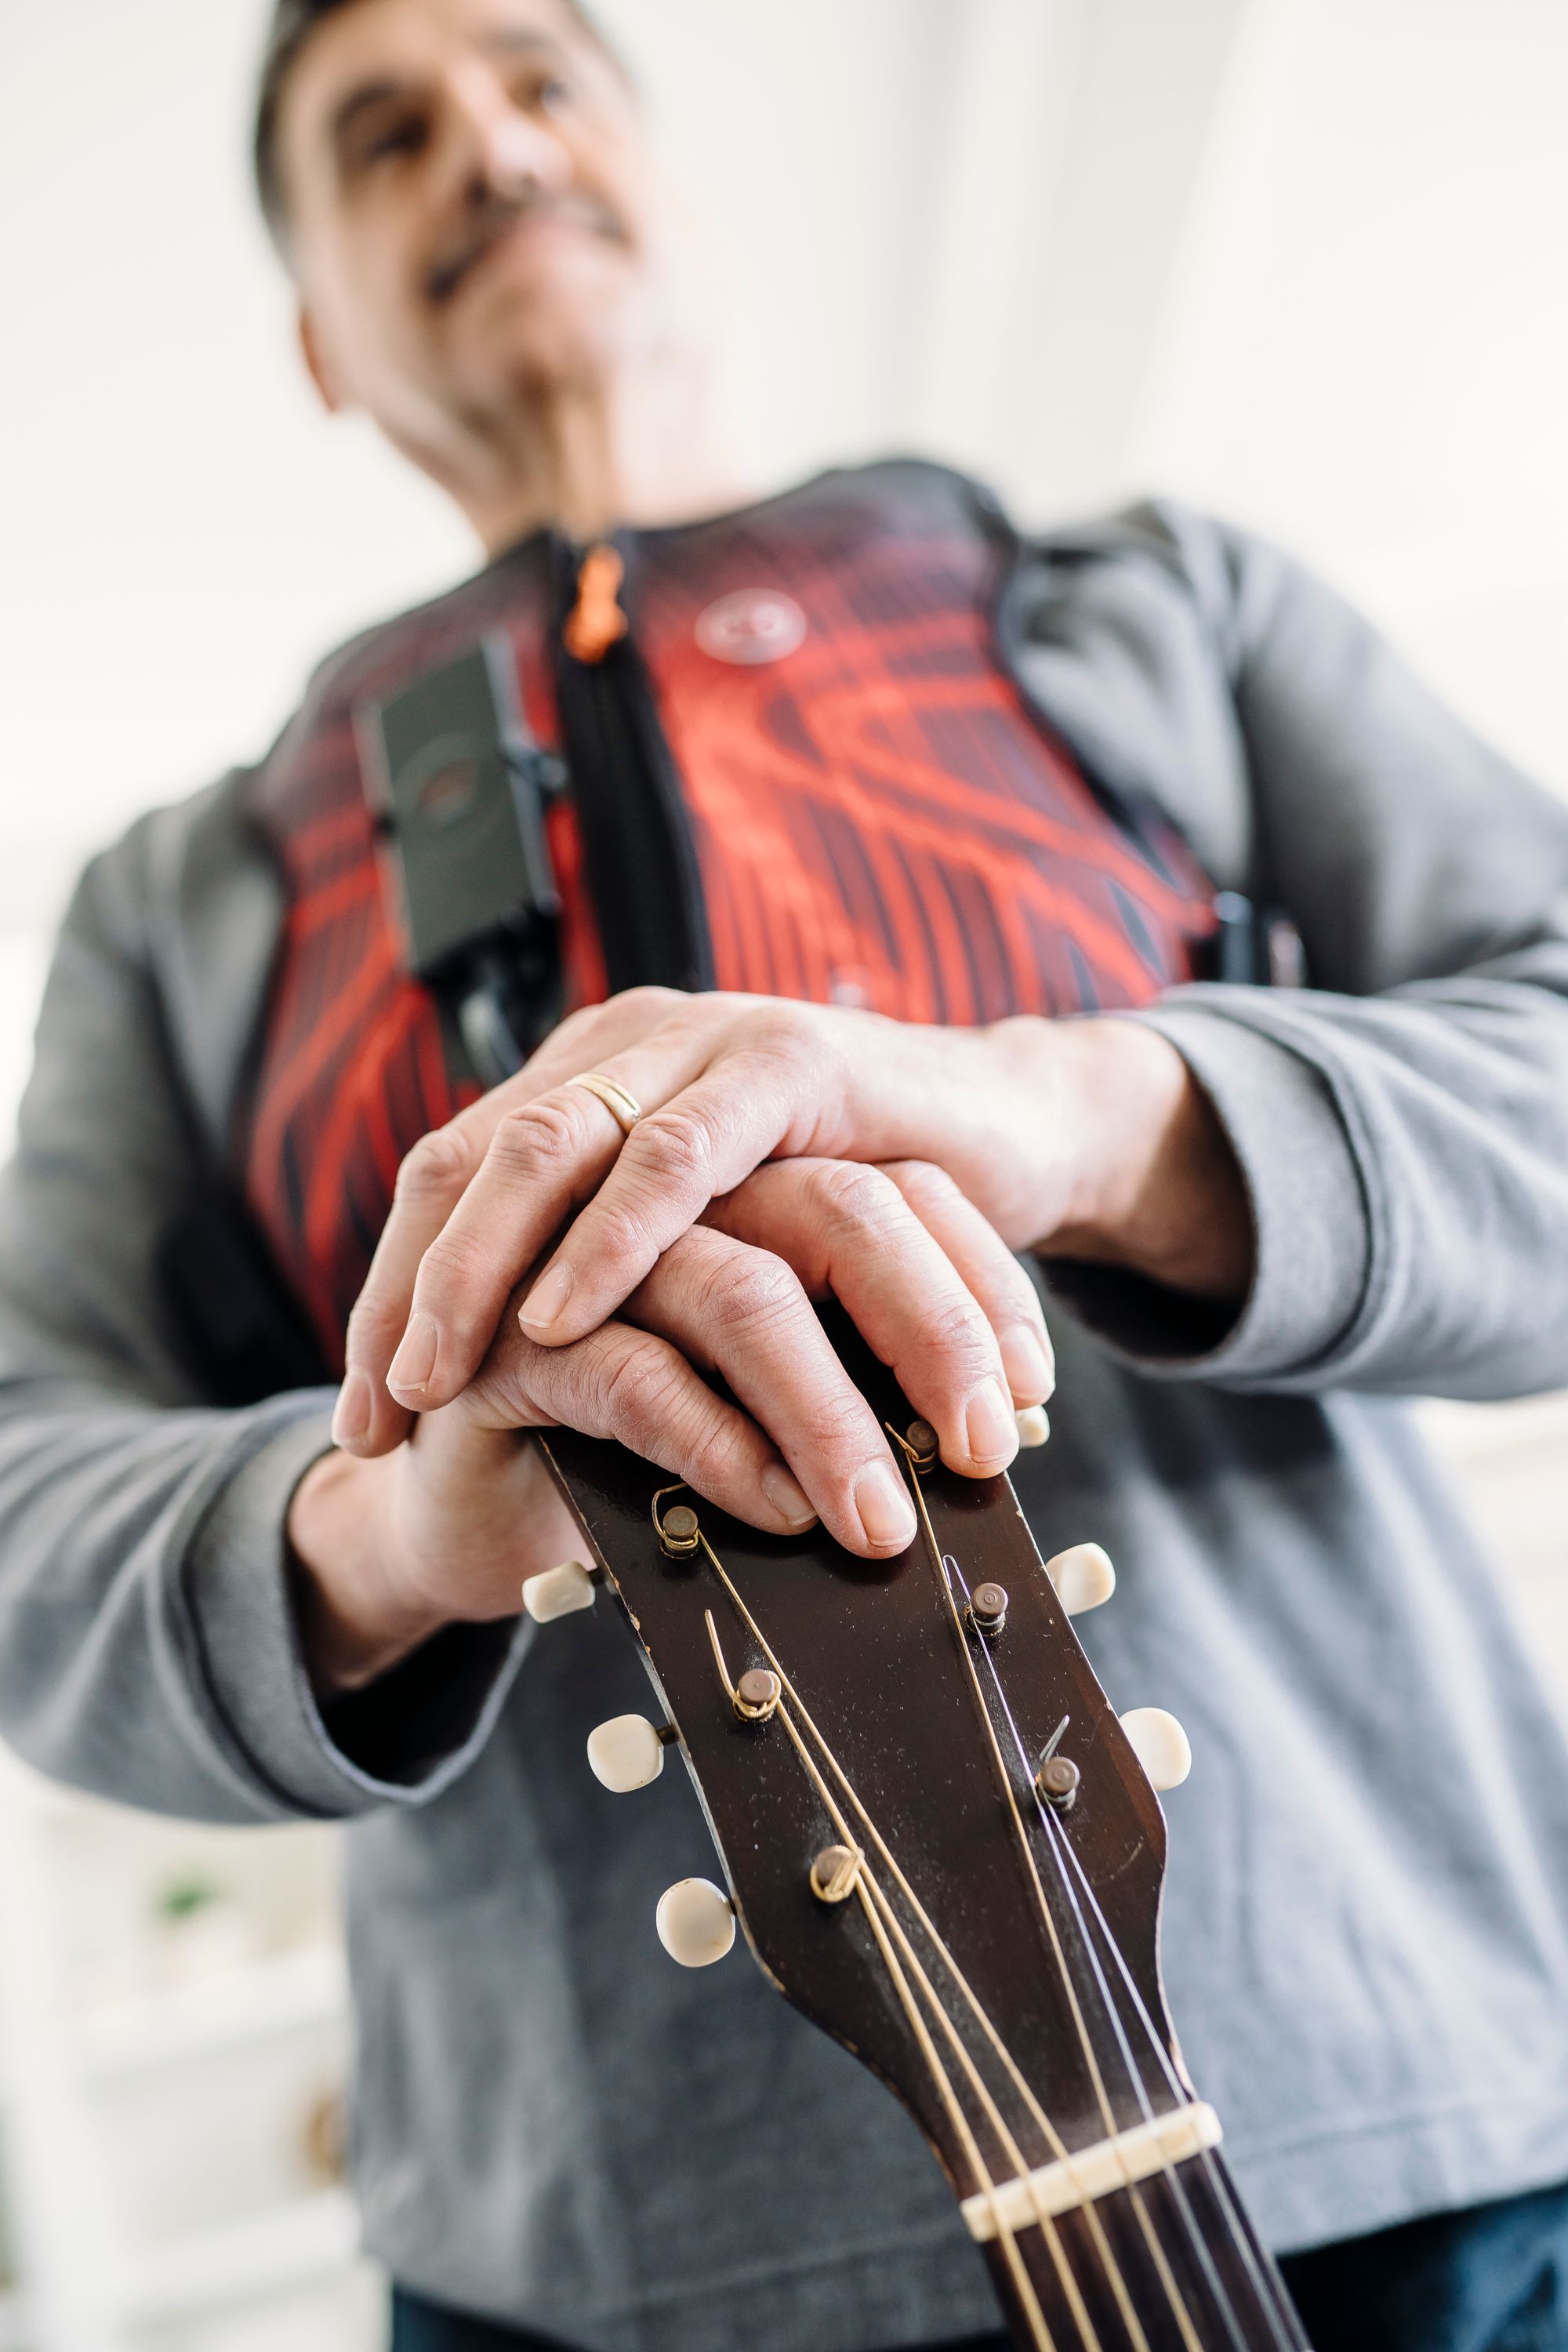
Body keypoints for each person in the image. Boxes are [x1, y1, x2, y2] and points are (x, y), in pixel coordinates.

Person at [3, 0, 1568, 2346]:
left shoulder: (1144, 604)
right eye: (386, 135)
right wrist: (390, 1531)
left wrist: (1075, 1111)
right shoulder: (177, 905)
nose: (491, 145)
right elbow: (23, 1505)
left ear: (674, 187)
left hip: (1406, 2138)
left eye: (543, 78)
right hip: (609, 2277)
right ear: (318, 337)